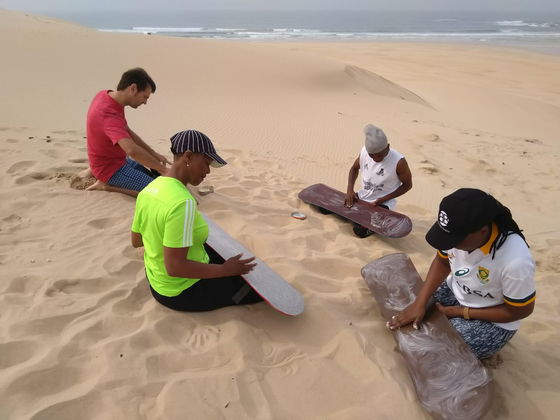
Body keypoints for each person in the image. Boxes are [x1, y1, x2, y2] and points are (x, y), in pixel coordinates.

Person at [388, 188, 536, 359]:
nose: (449, 244)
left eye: (455, 239)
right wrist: (419, 303)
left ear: (482, 231)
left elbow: (518, 311)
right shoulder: (456, 230)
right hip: (457, 290)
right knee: (410, 309)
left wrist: (461, 312)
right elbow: (442, 261)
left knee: (437, 349)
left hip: (493, 319)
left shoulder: (516, 262)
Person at [131, 129, 263, 311]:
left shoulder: (150, 188)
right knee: (253, 288)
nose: (208, 171)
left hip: (155, 278)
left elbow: (136, 241)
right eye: (206, 163)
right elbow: (175, 268)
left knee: (223, 257)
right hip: (180, 291)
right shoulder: (182, 203)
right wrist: (225, 270)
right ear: (188, 156)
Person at [86, 67, 171, 197]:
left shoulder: (106, 96)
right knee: (158, 192)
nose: (145, 102)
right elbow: (131, 150)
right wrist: (164, 170)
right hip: (110, 169)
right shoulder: (109, 114)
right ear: (133, 88)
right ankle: (105, 186)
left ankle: (94, 171)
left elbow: (128, 132)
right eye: (145, 97)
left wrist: (154, 154)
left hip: (118, 159)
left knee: (156, 178)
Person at [345, 124, 412, 238]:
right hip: (362, 197)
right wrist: (350, 190)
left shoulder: (399, 162)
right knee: (327, 209)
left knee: (360, 231)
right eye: (372, 156)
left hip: (383, 203)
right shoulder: (364, 152)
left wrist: (383, 199)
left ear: (388, 147)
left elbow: (407, 185)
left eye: (380, 155)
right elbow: (354, 169)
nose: (376, 159)